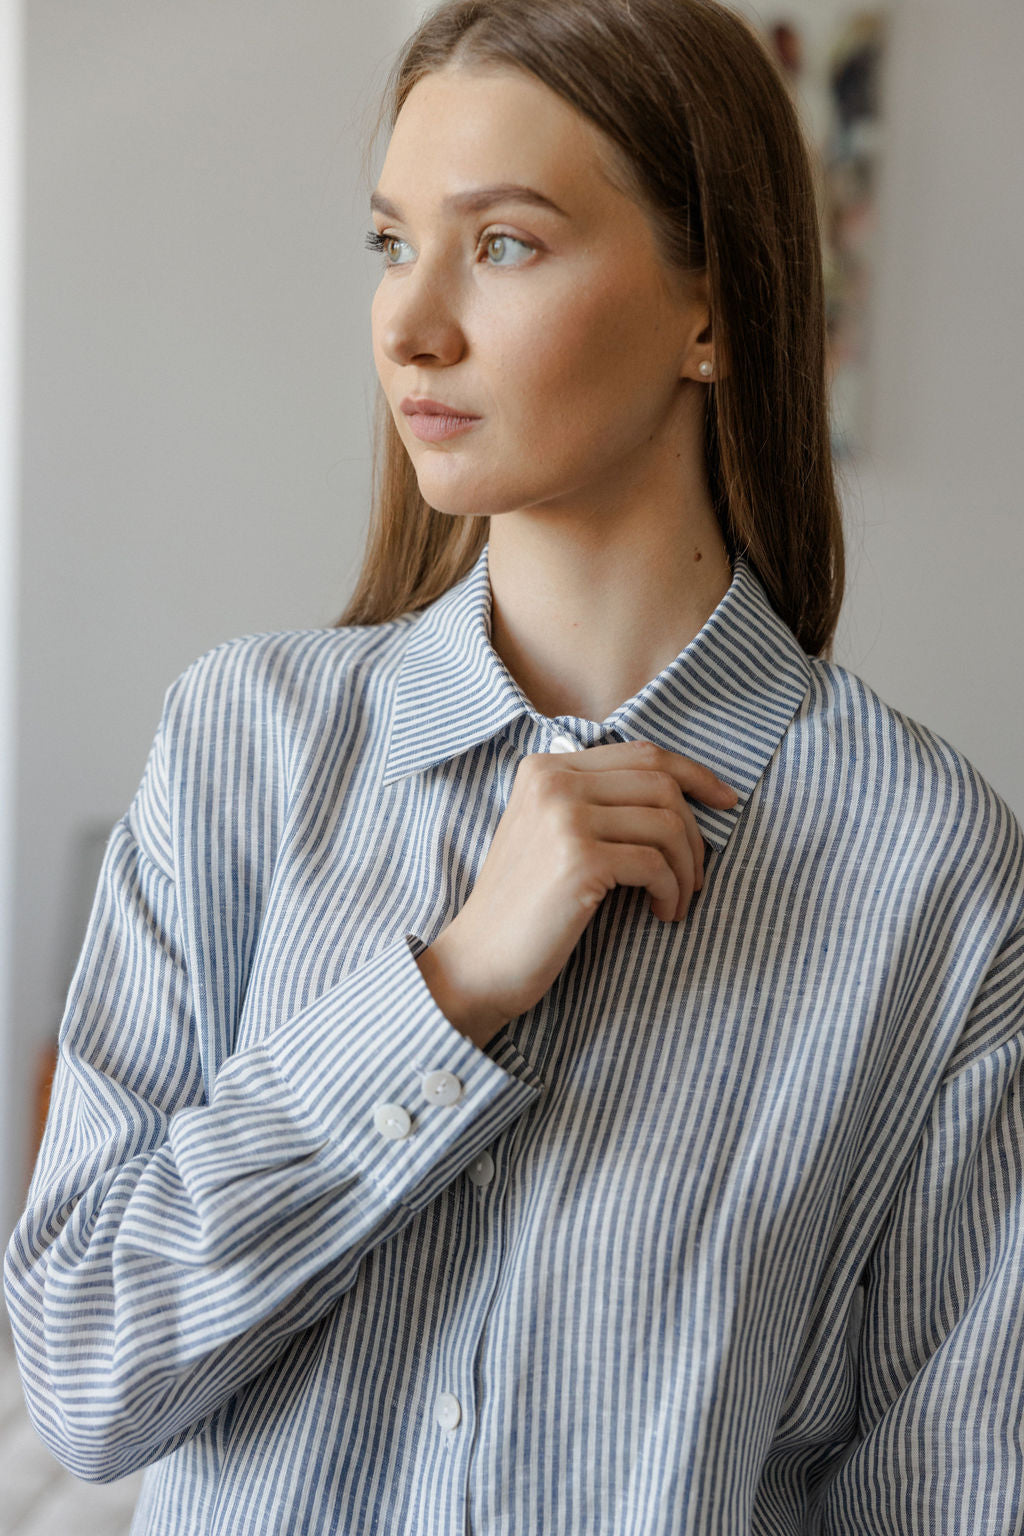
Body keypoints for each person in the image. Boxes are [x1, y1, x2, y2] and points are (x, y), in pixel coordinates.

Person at [5, 0, 1024, 1530]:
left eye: (502, 244)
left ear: (712, 309)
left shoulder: (927, 870)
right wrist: (447, 991)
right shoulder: (242, 747)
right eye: (390, 242)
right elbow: (84, 1376)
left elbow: (946, 1491)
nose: (410, 323)